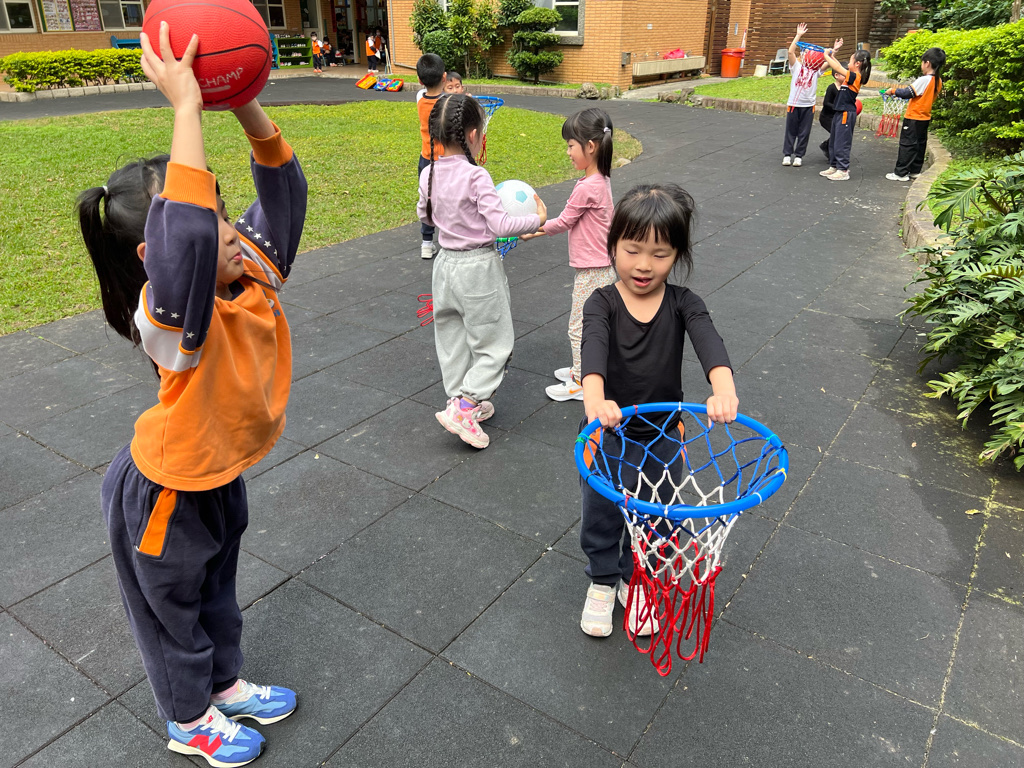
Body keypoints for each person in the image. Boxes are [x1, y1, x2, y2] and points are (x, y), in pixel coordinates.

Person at [76, 23, 307, 767]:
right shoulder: (171, 316)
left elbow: (285, 194)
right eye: (211, 221)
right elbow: (188, 240)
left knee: (217, 590)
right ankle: (187, 719)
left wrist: (244, 101)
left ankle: (224, 683)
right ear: (158, 257)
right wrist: (184, 108)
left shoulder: (249, 270)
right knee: (170, 611)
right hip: (165, 489)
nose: (228, 231)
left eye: (224, 211)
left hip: (214, 473)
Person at [578, 183, 737, 638]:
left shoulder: (685, 303)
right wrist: (595, 400)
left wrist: (723, 388)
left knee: (658, 517)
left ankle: (637, 579)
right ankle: (603, 580)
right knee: (602, 512)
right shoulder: (601, 303)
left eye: (660, 254)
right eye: (632, 250)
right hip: (608, 433)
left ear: (677, 255)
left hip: (664, 437)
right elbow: (593, 353)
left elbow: (709, 342)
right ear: (613, 246)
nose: (644, 264)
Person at [418, 94, 548, 449]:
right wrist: (536, 219)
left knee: (452, 338)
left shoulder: (429, 173)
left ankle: (459, 399)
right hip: (478, 268)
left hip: (444, 266)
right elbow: (501, 224)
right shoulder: (477, 176)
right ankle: (466, 405)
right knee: (495, 343)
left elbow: (424, 215)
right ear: (473, 135)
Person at [520, 108, 616, 402]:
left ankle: (580, 381)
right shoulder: (600, 179)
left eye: (571, 145)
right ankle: (587, 369)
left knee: (579, 326)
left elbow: (563, 222)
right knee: (594, 323)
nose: (568, 152)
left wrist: (533, 227)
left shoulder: (588, 187)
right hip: (601, 266)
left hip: (593, 270)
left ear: (591, 146)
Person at [882, 47, 946, 182]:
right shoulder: (938, 81)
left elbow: (907, 93)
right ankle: (915, 170)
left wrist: (892, 91)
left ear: (927, 63)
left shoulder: (924, 80)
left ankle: (901, 173)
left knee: (907, 145)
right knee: (919, 144)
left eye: (922, 62)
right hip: (925, 117)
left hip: (913, 117)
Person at [782, 25, 841, 168]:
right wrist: (798, 35)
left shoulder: (816, 71)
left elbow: (829, 63)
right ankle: (787, 154)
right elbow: (790, 52)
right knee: (791, 130)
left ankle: (799, 156)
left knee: (804, 132)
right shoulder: (796, 67)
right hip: (794, 104)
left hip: (808, 106)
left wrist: (834, 51)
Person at [820, 48, 871, 181]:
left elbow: (837, 67)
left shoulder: (855, 76)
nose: (848, 62)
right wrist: (831, 55)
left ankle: (843, 170)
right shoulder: (852, 75)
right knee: (834, 141)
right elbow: (838, 66)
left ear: (857, 63)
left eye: (850, 60)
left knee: (842, 142)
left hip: (846, 113)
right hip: (839, 112)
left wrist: (826, 56)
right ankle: (834, 166)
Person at [416, 53, 446, 259]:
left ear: (419, 80)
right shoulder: (449, 101)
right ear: (444, 77)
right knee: (448, 200)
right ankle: (449, 238)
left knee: (428, 199)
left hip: (426, 159)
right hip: (446, 161)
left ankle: (427, 242)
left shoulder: (419, 98)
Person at [817, 68, 844, 160]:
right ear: (836, 76)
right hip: (826, 117)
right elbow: (826, 103)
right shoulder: (831, 88)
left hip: (837, 116)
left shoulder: (845, 88)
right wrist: (837, 107)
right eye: (843, 74)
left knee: (839, 134)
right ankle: (830, 151)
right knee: (836, 133)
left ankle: (826, 146)